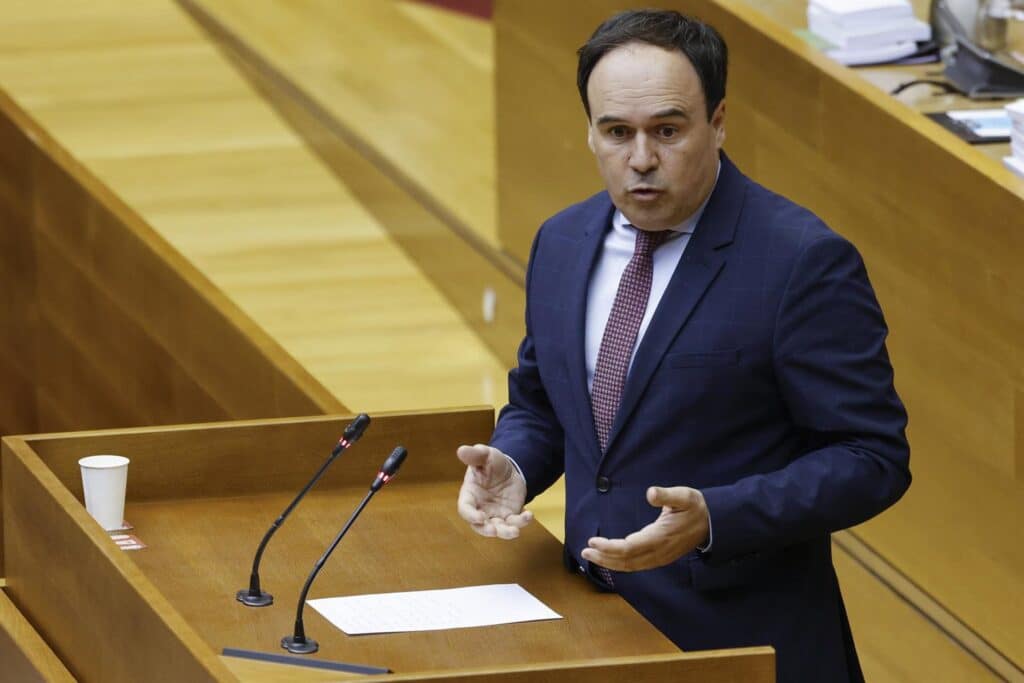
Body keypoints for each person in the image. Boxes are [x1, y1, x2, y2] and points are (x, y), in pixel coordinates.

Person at [456, 9, 910, 682]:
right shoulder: (561, 242)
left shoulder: (800, 261)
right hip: (590, 631)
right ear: (590, 131)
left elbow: (872, 457)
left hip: (738, 646)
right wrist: (515, 465)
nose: (641, 159)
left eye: (667, 131)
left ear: (718, 122)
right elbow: (544, 403)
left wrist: (715, 517)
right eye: (617, 132)